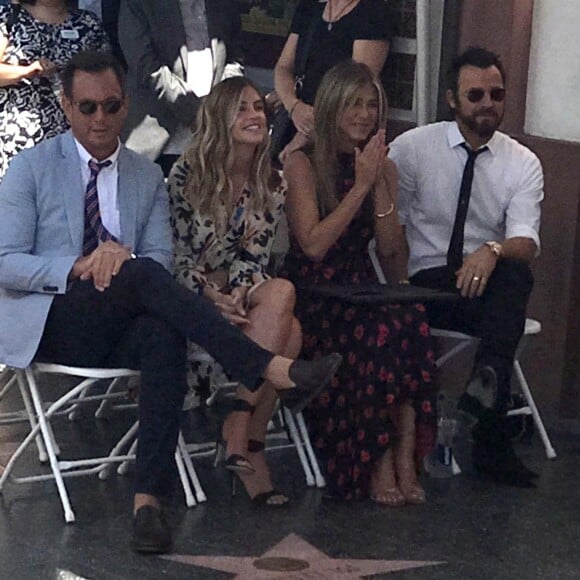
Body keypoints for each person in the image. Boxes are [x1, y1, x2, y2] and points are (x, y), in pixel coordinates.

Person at [0, 50, 341, 553]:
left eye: (110, 106)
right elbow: (5, 260)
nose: (100, 118)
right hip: (55, 316)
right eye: (87, 107)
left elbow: (160, 260)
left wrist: (123, 262)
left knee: (161, 332)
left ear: (125, 105)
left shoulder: (143, 175)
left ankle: (148, 504)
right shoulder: (31, 168)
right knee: (136, 271)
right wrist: (82, 264)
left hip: (124, 317)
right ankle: (261, 366)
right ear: (67, 107)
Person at [282, 60, 437, 504]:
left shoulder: (378, 167)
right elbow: (313, 245)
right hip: (314, 289)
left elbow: (388, 249)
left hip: (359, 282)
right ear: (333, 106)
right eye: (354, 104)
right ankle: (376, 459)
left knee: (409, 322)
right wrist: (359, 185)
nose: (365, 114)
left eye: (372, 105)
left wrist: (380, 184)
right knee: (374, 334)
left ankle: (405, 453)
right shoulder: (302, 164)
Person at [389, 47, 544, 487]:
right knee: (507, 313)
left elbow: (526, 240)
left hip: (483, 287)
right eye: (475, 94)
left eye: (496, 94)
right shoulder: (414, 148)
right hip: (425, 283)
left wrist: (492, 250)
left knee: (515, 273)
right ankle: (491, 435)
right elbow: (391, 229)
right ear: (452, 99)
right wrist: (398, 289)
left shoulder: (522, 163)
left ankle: (486, 380)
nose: (487, 104)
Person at [168, 77, 300, 506]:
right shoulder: (187, 173)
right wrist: (211, 293)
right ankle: (248, 443)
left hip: (240, 296)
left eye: (259, 108)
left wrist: (238, 292)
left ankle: (240, 427)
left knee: (280, 294)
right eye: (242, 108)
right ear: (221, 118)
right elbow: (171, 256)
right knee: (291, 334)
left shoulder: (272, 182)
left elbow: (252, 254)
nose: (255, 115)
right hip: (187, 300)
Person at [118, 0, 244, 176]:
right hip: (155, 140)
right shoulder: (139, 4)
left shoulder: (223, 4)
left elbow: (235, 57)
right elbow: (144, 65)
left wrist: (221, 103)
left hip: (213, 141)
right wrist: (196, 113)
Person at [273, 0, 394, 162]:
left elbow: (357, 86)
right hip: (296, 120)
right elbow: (283, 67)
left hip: (337, 135)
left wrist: (306, 136)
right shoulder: (310, 8)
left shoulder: (372, 12)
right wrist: (294, 106)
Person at [0, 0, 110, 178]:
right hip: (19, 139)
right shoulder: (9, 17)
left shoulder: (88, 24)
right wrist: (27, 71)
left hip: (75, 139)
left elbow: (106, 77)